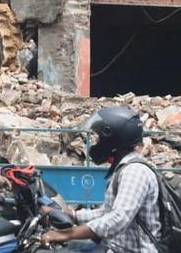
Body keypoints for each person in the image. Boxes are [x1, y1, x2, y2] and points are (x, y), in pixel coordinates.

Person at [41, 107, 160, 253]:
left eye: (99, 138)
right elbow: (107, 212)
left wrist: (65, 235)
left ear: (113, 139)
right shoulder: (123, 168)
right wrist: (72, 216)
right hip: (114, 247)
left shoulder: (134, 172)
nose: (96, 143)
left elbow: (117, 219)